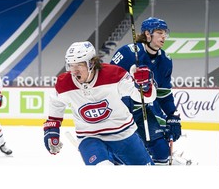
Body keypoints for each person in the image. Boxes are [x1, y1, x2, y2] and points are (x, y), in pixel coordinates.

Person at [43, 41, 157, 165]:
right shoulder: (64, 83)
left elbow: (146, 98)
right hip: (89, 137)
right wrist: (52, 128)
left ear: (91, 63)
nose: (74, 71)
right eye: (71, 65)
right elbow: (56, 102)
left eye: (79, 65)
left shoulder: (113, 74)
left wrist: (145, 86)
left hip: (124, 134)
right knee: (102, 172)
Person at [110, 17, 182, 165]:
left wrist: (172, 115)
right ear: (148, 34)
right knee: (120, 156)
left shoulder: (166, 61)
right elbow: (108, 84)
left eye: (165, 33)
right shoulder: (128, 53)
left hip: (141, 111)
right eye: (159, 32)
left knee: (162, 152)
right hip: (119, 114)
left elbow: (164, 94)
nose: (164, 36)